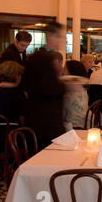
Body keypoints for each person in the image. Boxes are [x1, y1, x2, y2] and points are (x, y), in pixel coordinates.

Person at [23, 22, 66, 150]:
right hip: (44, 119)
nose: (60, 41)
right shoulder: (42, 59)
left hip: (41, 116)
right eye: (58, 37)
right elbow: (47, 89)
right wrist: (64, 86)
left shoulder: (40, 57)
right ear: (49, 35)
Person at [62, 60, 89, 130]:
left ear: (71, 72)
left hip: (74, 126)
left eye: (65, 69)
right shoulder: (81, 86)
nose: (63, 71)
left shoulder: (72, 86)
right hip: (84, 121)